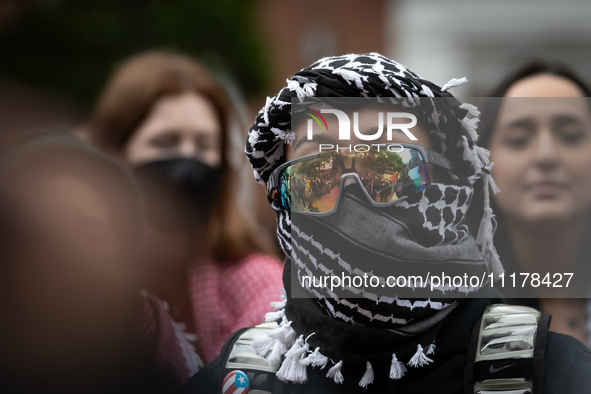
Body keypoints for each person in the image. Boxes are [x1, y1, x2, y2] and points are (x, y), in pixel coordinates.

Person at [181, 53, 591, 393]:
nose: (351, 191)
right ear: (285, 197)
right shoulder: (239, 380)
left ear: (448, 186)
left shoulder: (550, 372)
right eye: (318, 168)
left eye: (389, 163)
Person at [89, 51, 283, 364]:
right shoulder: (75, 278)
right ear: (114, 155)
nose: (188, 160)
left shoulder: (255, 283)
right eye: (166, 142)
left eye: (204, 145)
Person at [479, 60, 591, 345]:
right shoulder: (446, 318)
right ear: (483, 164)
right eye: (518, 140)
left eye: (570, 136)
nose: (545, 155)